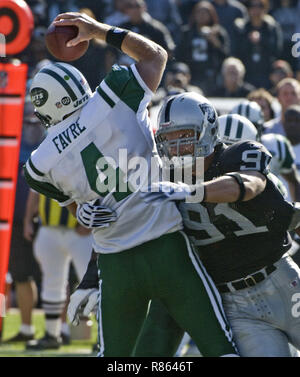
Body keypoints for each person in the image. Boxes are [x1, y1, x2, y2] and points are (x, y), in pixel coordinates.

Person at [24, 12, 238, 357]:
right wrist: (98, 31)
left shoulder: (39, 163)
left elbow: (80, 209)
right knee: (219, 348)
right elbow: (157, 55)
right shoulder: (116, 93)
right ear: (79, 84)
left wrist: (84, 213)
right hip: (167, 244)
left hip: (116, 263)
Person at [135, 92, 300, 357]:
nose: (176, 147)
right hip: (236, 305)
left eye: (184, 136)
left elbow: (249, 185)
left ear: (206, 130)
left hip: (282, 283)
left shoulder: (238, 153)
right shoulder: (165, 176)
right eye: (169, 139)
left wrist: (191, 192)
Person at [23, 191, 93, 350]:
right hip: (49, 227)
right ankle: (52, 335)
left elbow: (97, 188)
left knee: (92, 284)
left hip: (80, 230)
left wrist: (90, 221)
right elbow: (34, 189)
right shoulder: (42, 165)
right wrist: (28, 219)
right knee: (51, 284)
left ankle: (104, 337)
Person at [4, 100, 44, 343]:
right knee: (18, 275)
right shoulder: (11, 143)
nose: (32, 124)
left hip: (43, 221)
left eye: (36, 119)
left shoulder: (49, 144)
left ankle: (60, 329)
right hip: (11, 220)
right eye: (27, 118)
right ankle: (26, 329)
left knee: (55, 276)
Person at [230, 99, 300, 201]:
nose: (246, 132)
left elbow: (293, 181)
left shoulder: (276, 145)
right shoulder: (211, 148)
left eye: (251, 126)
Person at [175, 1, 230, 95]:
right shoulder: (187, 33)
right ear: (194, 14)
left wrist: (214, 40)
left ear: (211, 15)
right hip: (192, 73)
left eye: (205, 13)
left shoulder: (218, 32)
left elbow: (225, 54)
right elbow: (180, 53)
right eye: (199, 12)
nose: (202, 15)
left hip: (211, 75)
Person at [232, 0, 283, 88]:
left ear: (265, 8)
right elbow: (235, 51)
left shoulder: (272, 28)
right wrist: (248, 40)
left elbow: (277, 50)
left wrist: (262, 40)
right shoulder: (241, 28)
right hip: (246, 76)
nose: (256, 9)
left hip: (267, 75)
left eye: (260, 6)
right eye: (252, 6)